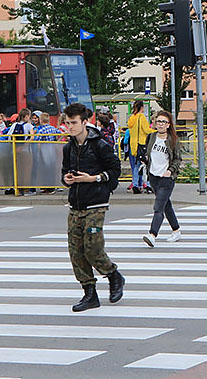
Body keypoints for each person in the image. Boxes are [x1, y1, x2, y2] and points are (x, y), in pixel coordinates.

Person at [60, 102, 124, 312]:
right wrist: (67, 179)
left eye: (74, 123)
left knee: (92, 247)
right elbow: (64, 173)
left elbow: (115, 170)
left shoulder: (99, 144)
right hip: (76, 203)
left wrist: (94, 178)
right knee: (75, 250)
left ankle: (114, 275)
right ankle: (89, 293)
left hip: (96, 202)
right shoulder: (68, 147)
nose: (70, 127)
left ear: (84, 122)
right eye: (67, 123)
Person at [142, 111, 182, 247]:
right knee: (166, 205)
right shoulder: (151, 137)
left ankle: (152, 234)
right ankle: (176, 230)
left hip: (167, 177)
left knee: (158, 206)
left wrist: (170, 171)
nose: (160, 124)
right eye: (158, 121)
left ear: (168, 125)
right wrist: (146, 160)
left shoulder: (173, 140)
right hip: (153, 176)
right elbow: (149, 153)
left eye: (163, 122)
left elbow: (177, 159)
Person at [127, 100, 155, 194]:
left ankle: (135, 184)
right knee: (145, 165)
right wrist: (156, 132)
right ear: (142, 107)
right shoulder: (141, 117)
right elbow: (146, 130)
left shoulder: (131, 118)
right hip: (142, 144)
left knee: (136, 165)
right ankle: (147, 185)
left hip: (134, 145)